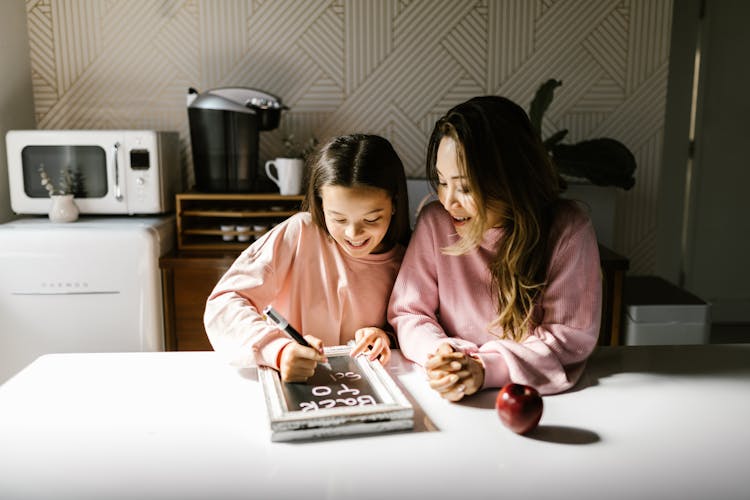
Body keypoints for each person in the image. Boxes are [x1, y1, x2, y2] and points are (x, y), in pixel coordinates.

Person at [388, 96, 602, 400]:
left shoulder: (568, 229)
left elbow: (568, 339)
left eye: (464, 187)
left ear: (509, 180)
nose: (448, 201)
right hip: (448, 389)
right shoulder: (435, 222)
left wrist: (484, 368)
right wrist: (443, 355)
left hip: (535, 396)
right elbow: (408, 311)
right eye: (441, 182)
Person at [205, 134, 410, 382]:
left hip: (365, 390)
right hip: (292, 386)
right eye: (338, 218)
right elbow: (223, 304)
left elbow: (418, 325)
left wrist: (385, 336)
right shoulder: (300, 233)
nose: (353, 234)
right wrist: (279, 351)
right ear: (321, 204)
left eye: (371, 219)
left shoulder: (408, 260)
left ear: (395, 204)